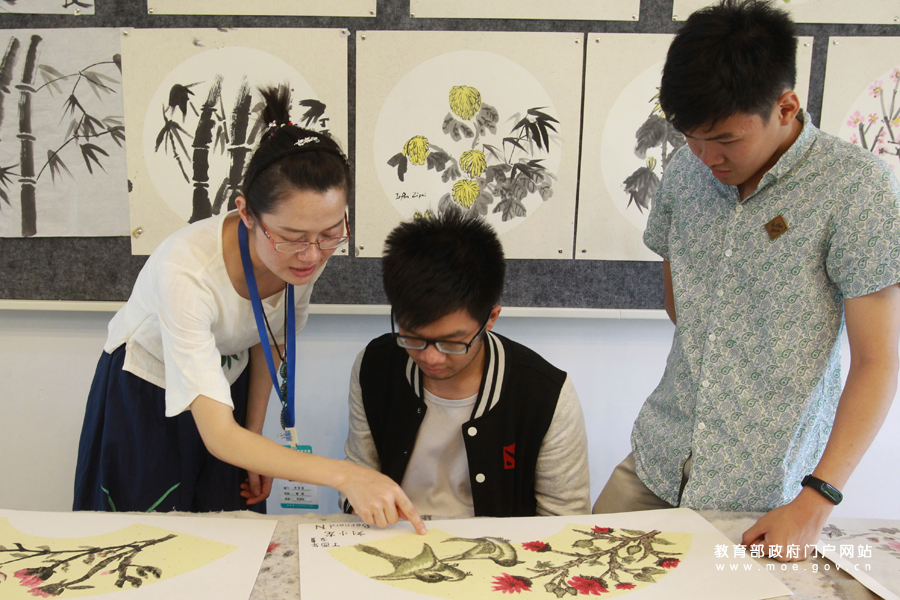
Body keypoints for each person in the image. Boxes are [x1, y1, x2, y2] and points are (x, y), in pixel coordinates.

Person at [593, 0, 900, 561]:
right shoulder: (686, 172)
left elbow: (878, 362)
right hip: (658, 458)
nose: (705, 156)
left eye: (725, 140)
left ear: (785, 107)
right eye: (691, 136)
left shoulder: (856, 189)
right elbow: (682, 304)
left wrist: (818, 499)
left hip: (768, 492)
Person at [74, 85, 425, 534]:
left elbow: (270, 333)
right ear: (246, 213)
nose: (312, 255)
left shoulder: (306, 248)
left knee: (233, 526)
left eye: (331, 233)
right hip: (149, 391)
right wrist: (348, 475)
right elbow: (220, 436)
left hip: (227, 381)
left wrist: (254, 435)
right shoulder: (186, 272)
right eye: (293, 237)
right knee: (151, 536)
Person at [341, 210, 590, 518]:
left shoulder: (545, 394)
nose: (431, 357)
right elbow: (358, 476)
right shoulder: (374, 366)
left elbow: (565, 518)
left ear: (491, 319)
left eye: (452, 343)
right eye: (413, 338)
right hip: (393, 534)